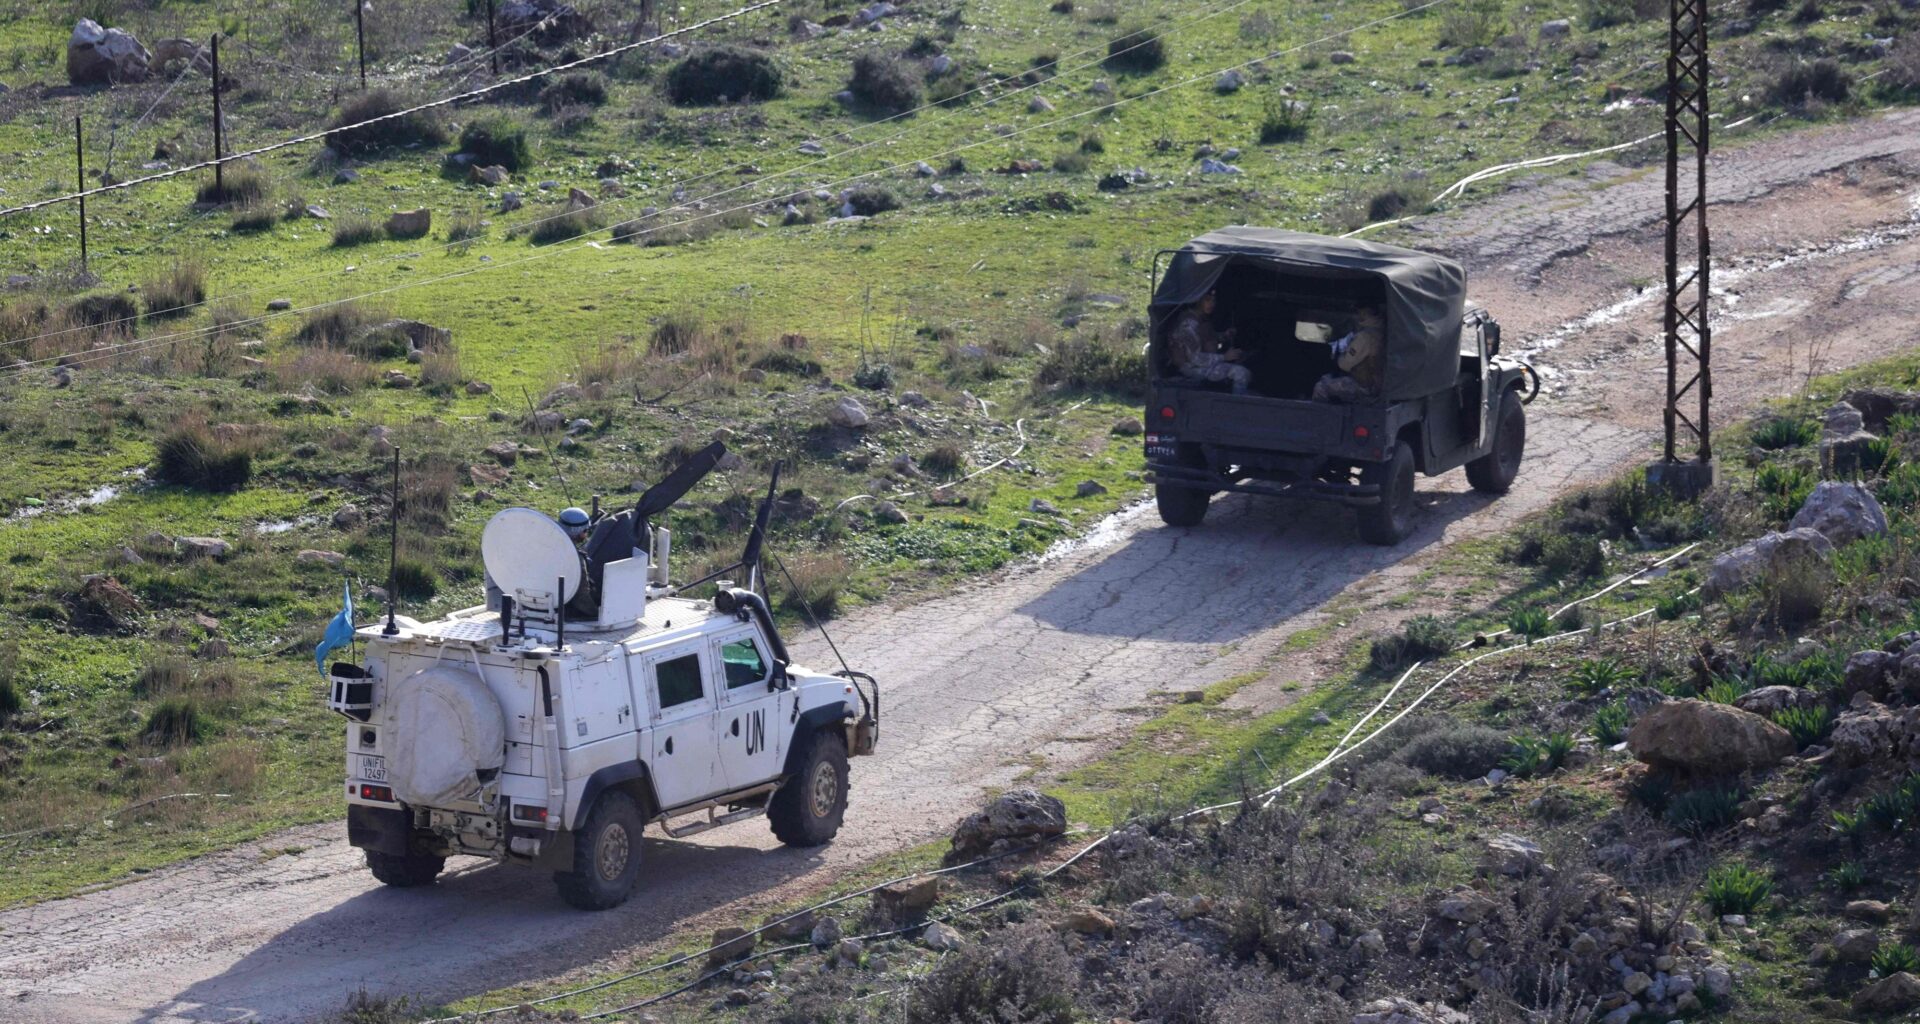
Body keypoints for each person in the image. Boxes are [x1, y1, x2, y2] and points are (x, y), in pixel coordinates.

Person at [1168, 291, 1252, 395]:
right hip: (1191, 368)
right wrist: (1224, 357)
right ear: (1198, 300)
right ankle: (1237, 407)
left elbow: (1209, 338)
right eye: (1207, 300)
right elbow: (1194, 358)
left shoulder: (1201, 319)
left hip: (1203, 363)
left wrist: (1225, 335)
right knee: (1241, 373)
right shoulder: (1189, 323)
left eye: (1214, 300)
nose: (1211, 304)